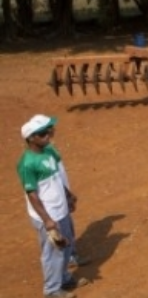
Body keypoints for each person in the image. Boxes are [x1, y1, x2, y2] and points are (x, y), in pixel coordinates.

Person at [18, 115, 88, 298]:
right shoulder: (27, 163)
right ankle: (51, 290)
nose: (47, 135)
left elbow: (56, 178)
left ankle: (64, 278)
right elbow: (32, 195)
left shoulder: (47, 152)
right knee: (52, 253)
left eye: (48, 131)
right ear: (31, 138)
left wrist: (68, 194)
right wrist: (47, 220)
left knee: (66, 246)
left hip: (61, 209)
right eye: (42, 133)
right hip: (48, 215)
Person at [30, 114, 89, 270]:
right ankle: (65, 266)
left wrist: (67, 194)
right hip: (51, 206)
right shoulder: (41, 154)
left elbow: (57, 177)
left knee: (68, 228)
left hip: (60, 198)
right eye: (47, 130)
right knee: (59, 236)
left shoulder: (49, 149)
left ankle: (72, 255)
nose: (52, 131)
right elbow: (36, 189)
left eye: (51, 128)